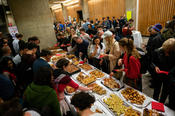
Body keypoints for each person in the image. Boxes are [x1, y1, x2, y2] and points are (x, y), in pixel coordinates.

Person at [152, 38, 175, 103]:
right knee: (156, 89)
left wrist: (171, 72)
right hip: (158, 74)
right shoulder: (157, 51)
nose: (167, 51)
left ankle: (162, 103)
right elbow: (152, 62)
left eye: (169, 50)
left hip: (168, 75)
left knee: (165, 91)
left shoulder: (173, 52)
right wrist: (155, 67)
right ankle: (154, 101)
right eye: (166, 49)